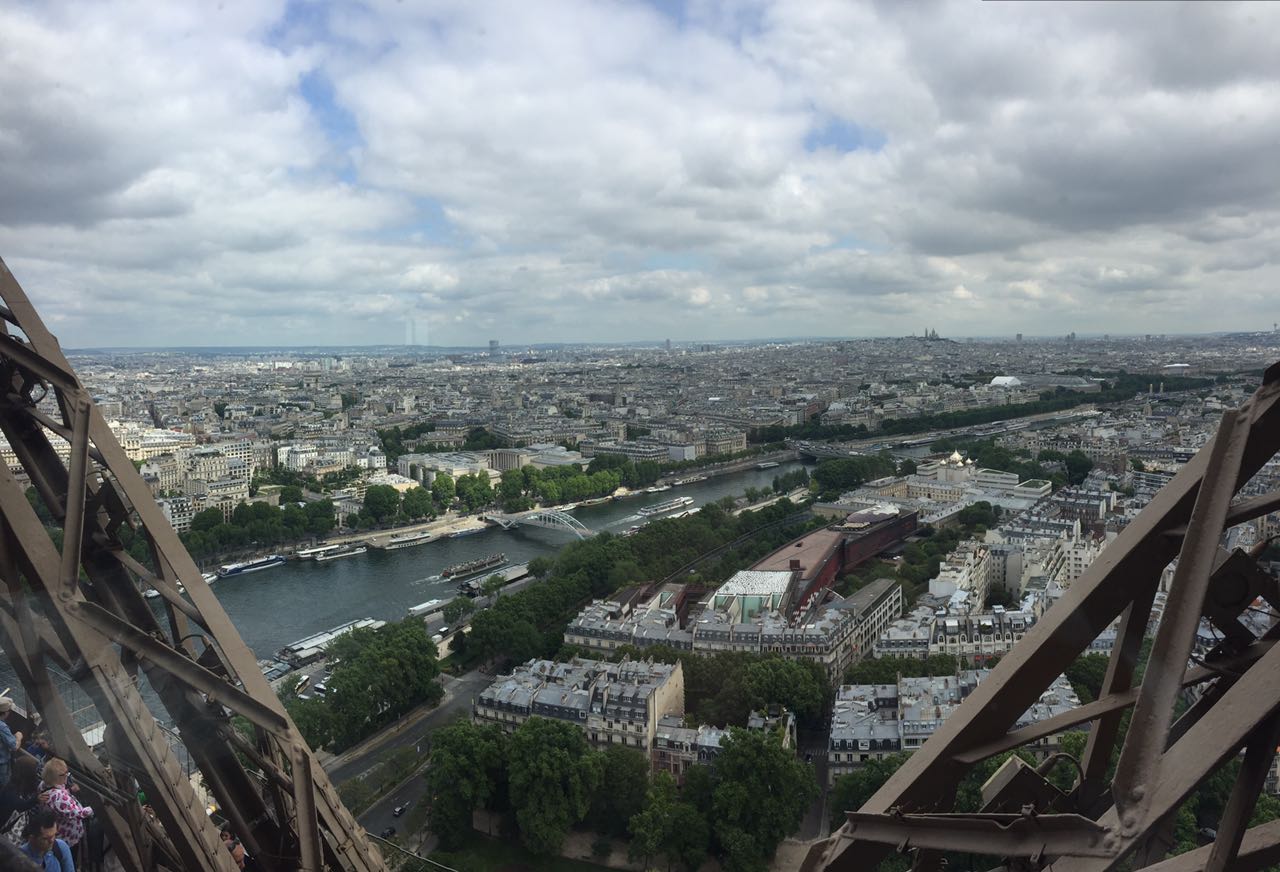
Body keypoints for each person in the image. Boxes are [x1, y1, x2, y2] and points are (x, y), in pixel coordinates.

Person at [38, 760, 92, 849]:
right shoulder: (59, 797)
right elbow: (79, 814)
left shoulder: (43, 784)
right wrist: (94, 808)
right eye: (64, 774)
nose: (67, 776)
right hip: (67, 837)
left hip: (59, 828)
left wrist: (70, 790)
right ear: (56, 777)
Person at [20, 808, 74, 872]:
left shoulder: (60, 848)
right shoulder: (20, 858)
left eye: (54, 835)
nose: (51, 841)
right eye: (45, 838)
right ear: (32, 838)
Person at [0, 697, 23, 793]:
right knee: (5, 787)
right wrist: (19, 737)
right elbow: (14, 746)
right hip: (2, 763)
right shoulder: (2, 727)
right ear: (5, 713)